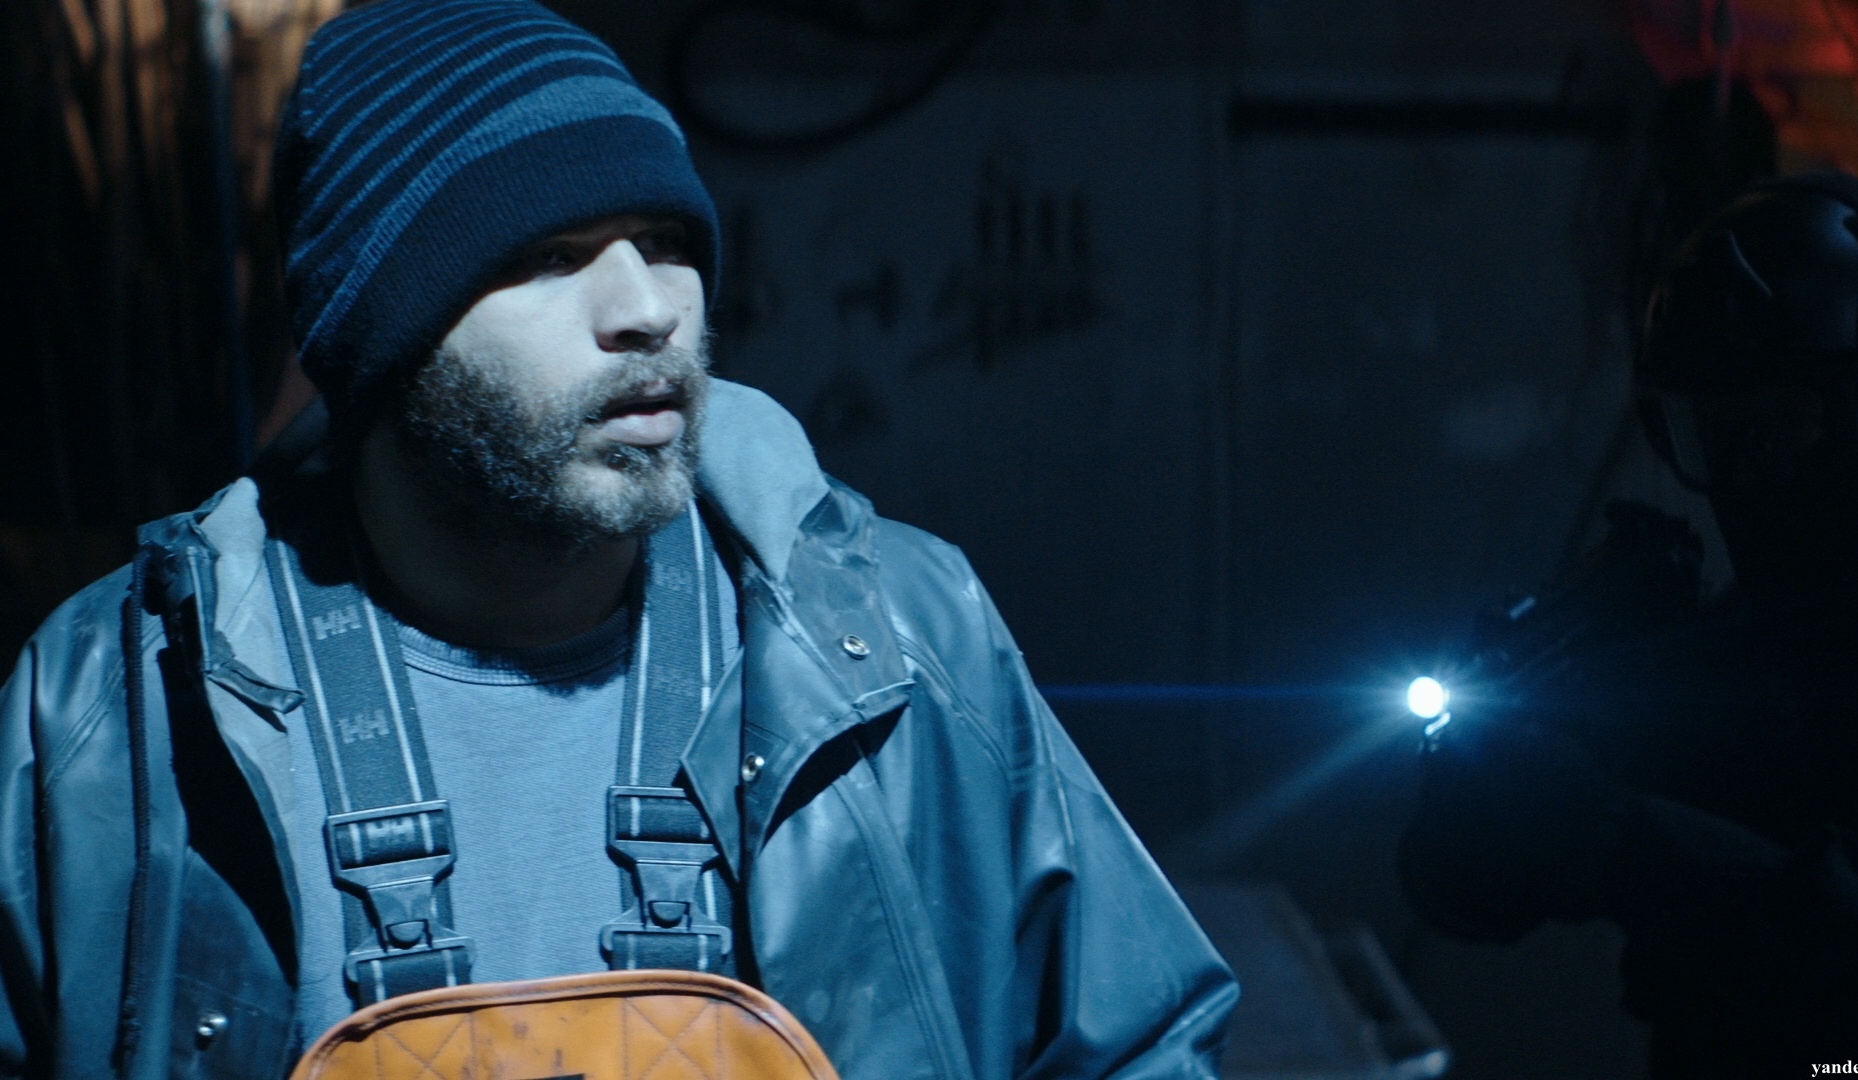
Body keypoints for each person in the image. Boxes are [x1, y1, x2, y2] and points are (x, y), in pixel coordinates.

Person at [0, 1, 1238, 1075]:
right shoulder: (121, 704)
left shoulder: (895, 641)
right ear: (378, 335)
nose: (647, 307)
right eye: (547, 256)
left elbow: (1139, 1041)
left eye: (667, 243)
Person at [1401, 172, 1858, 1076]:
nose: (1746, 480)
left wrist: (1618, 839)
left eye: (1775, 430)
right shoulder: (1760, 641)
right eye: (1710, 440)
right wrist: (1499, 784)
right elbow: (1463, 892)